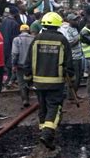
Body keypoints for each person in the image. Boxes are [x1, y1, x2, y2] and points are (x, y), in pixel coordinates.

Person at [24, 12, 74, 149]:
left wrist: (27, 78)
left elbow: (28, 61)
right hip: (56, 82)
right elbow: (69, 62)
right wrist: (72, 78)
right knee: (54, 107)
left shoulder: (37, 39)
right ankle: (47, 135)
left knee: (43, 107)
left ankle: (43, 133)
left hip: (38, 82)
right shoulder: (62, 40)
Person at [61, 13, 84, 101]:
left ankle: (74, 94)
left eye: (77, 19)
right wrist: (78, 39)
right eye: (74, 20)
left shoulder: (75, 29)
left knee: (79, 77)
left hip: (79, 56)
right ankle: (71, 96)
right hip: (73, 57)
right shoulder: (68, 30)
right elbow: (69, 44)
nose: (77, 21)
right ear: (70, 21)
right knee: (75, 78)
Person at [12, 24, 34, 108]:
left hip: (20, 65)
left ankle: (25, 99)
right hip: (31, 65)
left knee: (21, 83)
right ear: (28, 30)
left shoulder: (17, 39)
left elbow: (15, 53)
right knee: (29, 81)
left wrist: (14, 64)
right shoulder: (33, 38)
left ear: (20, 30)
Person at [1, 7, 20, 88]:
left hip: (3, 46)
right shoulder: (15, 24)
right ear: (15, 14)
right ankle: (9, 81)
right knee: (11, 66)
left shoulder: (4, 21)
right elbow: (15, 39)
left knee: (6, 65)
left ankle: (7, 81)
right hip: (11, 46)